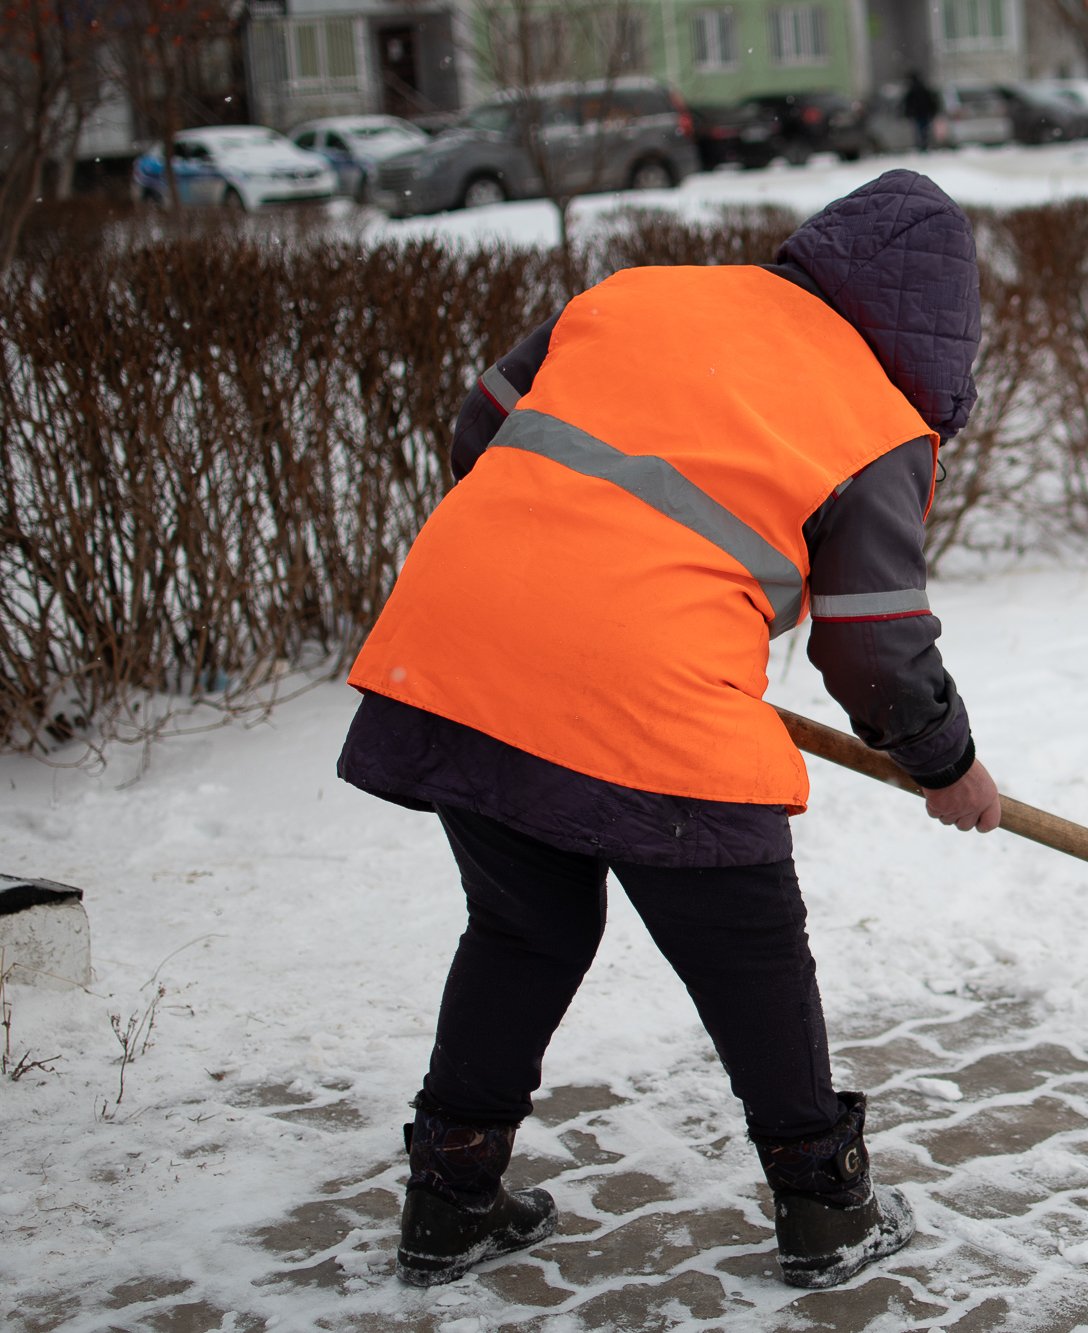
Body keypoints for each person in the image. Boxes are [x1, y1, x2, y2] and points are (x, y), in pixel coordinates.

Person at [335, 169, 1001, 1292]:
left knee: (523, 930)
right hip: (647, 697)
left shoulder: (638, 294)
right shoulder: (872, 422)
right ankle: (825, 1209)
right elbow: (874, 651)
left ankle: (449, 1197)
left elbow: (478, 430)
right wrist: (948, 765)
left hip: (458, 654)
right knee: (749, 951)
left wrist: (556, 572)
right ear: (936, 332)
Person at [902, 70, 940, 152]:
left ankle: (922, 144)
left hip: (918, 113)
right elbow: (931, 100)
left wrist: (908, 111)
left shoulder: (913, 90)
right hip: (924, 113)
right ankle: (924, 143)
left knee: (919, 129)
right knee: (924, 129)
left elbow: (908, 102)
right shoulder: (923, 88)